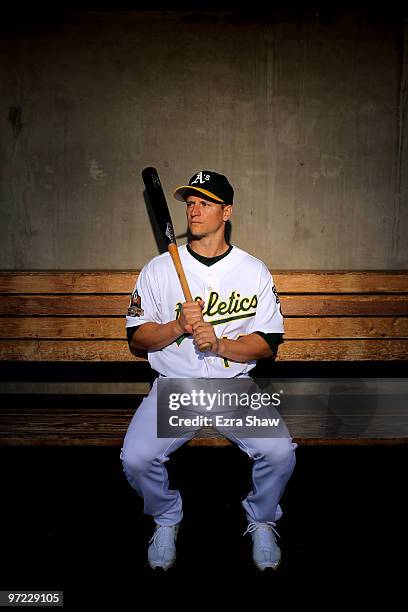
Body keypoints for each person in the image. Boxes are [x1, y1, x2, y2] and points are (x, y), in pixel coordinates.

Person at [121, 170, 297, 571]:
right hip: (176, 386)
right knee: (135, 458)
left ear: (227, 211)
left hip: (233, 386)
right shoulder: (159, 269)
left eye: (205, 202)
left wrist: (219, 345)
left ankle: (262, 516)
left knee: (280, 452)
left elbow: (266, 344)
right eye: (190, 203)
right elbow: (137, 340)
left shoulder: (253, 270)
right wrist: (177, 327)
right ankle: (167, 515)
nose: (195, 210)